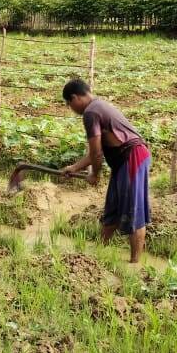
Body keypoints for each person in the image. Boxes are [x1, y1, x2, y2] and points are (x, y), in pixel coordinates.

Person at [60, 79, 151, 264]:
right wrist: (75, 168)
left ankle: (135, 264)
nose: (71, 109)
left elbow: (96, 152)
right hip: (123, 161)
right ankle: (95, 257)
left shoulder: (91, 112)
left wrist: (95, 174)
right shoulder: (99, 106)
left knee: (133, 211)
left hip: (133, 157)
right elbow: (95, 152)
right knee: (113, 209)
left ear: (75, 98)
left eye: (69, 104)